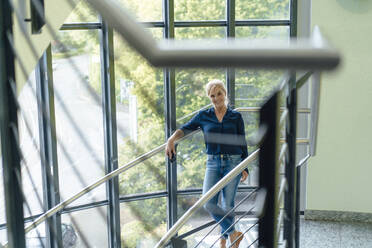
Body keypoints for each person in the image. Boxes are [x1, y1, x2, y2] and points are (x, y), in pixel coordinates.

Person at [165, 79, 249, 248]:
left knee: (227, 204)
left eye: (219, 94)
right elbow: (185, 128)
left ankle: (225, 242)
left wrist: (245, 167)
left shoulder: (236, 116)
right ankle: (234, 234)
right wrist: (171, 139)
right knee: (208, 202)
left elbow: (242, 141)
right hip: (213, 163)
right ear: (209, 97)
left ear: (225, 93)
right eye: (212, 95)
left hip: (233, 162)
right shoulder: (204, 116)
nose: (216, 98)